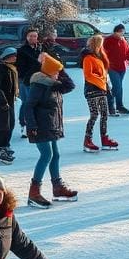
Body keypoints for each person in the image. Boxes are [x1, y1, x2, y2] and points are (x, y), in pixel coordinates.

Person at [21, 53, 77, 208]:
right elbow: (28, 106)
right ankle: (34, 192)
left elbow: (70, 85)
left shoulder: (54, 84)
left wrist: (58, 67)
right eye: (56, 71)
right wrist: (31, 126)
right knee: (47, 155)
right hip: (40, 126)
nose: (59, 74)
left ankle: (57, 188)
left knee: (55, 155)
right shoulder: (39, 84)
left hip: (51, 125)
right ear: (48, 72)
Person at [81, 34, 117, 153]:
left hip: (102, 89)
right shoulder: (88, 58)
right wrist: (101, 81)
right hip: (92, 90)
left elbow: (104, 74)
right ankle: (87, 139)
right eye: (100, 44)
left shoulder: (100, 57)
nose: (102, 46)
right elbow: (88, 75)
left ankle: (104, 138)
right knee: (94, 114)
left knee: (104, 114)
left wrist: (105, 84)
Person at [0, 47, 19, 164]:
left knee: (10, 123)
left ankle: (5, 145)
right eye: (13, 56)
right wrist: (2, 101)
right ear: (5, 57)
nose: (15, 58)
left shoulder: (10, 68)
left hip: (9, 101)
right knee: (1, 125)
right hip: (0, 103)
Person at [103, 24, 129, 116]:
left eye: (123, 32)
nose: (122, 34)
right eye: (120, 32)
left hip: (122, 67)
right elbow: (102, 53)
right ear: (115, 32)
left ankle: (119, 105)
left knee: (119, 87)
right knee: (117, 86)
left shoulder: (123, 40)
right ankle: (110, 105)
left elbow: (128, 52)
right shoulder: (108, 40)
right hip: (112, 67)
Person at [15, 29, 41, 137]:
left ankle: (34, 124)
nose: (33, 38)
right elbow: (20, 68)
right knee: (26, 102)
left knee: (36, 103)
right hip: (25, 80)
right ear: (26, 37)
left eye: (34, 36)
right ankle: (23, 124)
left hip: (37, 80)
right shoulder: (22, 50)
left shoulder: (39, 49)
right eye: (30, 36)